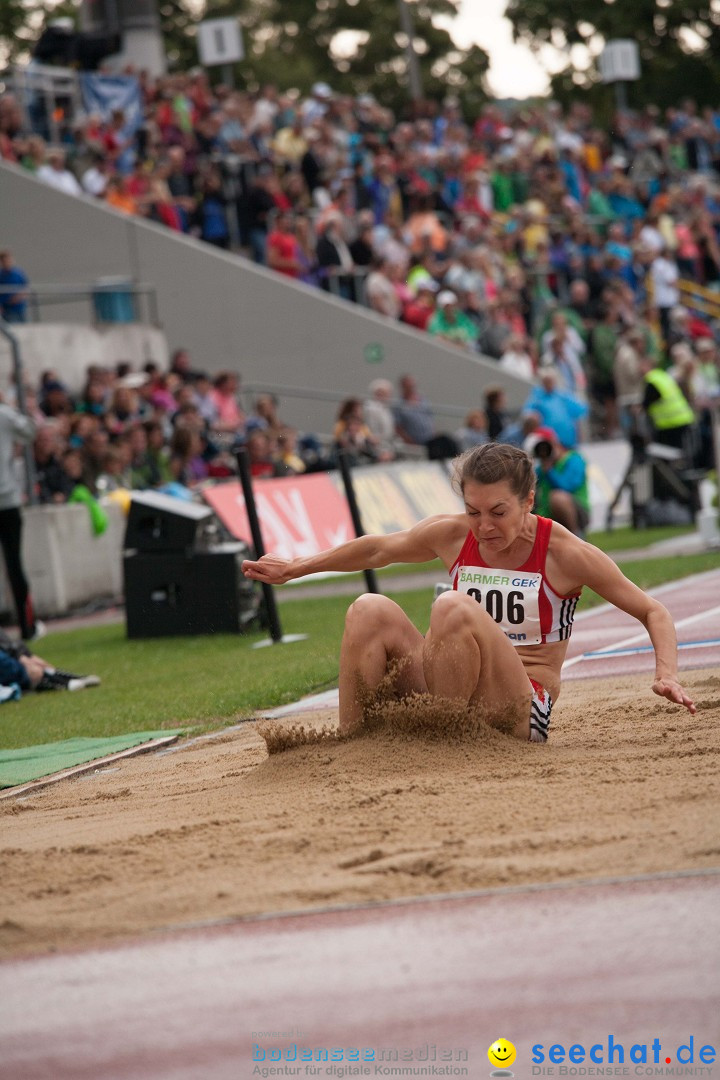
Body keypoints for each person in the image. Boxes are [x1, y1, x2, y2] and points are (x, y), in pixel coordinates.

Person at [243, 443, 695, 742]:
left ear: (528, 501)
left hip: (519, 707)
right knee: (368, 609)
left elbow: (653, 611)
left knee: (452, 606)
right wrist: (298, 567)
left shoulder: (564, 552)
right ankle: (352, 744)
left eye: (498, 512)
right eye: (473, 511)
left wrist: (666, 673)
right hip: (448, 685)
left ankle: (444, 739)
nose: (484, 526)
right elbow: (379, 549)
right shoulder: (454, 534)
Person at [0, 393, 41, 640]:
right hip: (6, 499)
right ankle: (28, 627)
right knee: (14, 564)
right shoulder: (4, 415)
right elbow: (30, 432)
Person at [528, 426, 590, 537]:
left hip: (576, 510)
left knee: (557, 498)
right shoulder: (540, 468)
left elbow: (567, 486)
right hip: (547, 512)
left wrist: (549, 470)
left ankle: (577, 536)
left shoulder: (574, 459)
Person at [0, 250, 29, 323]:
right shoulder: (1, 276)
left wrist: (18, 297)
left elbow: (25, 287)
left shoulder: (18, 274)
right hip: (7, 309)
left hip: (19, 308)